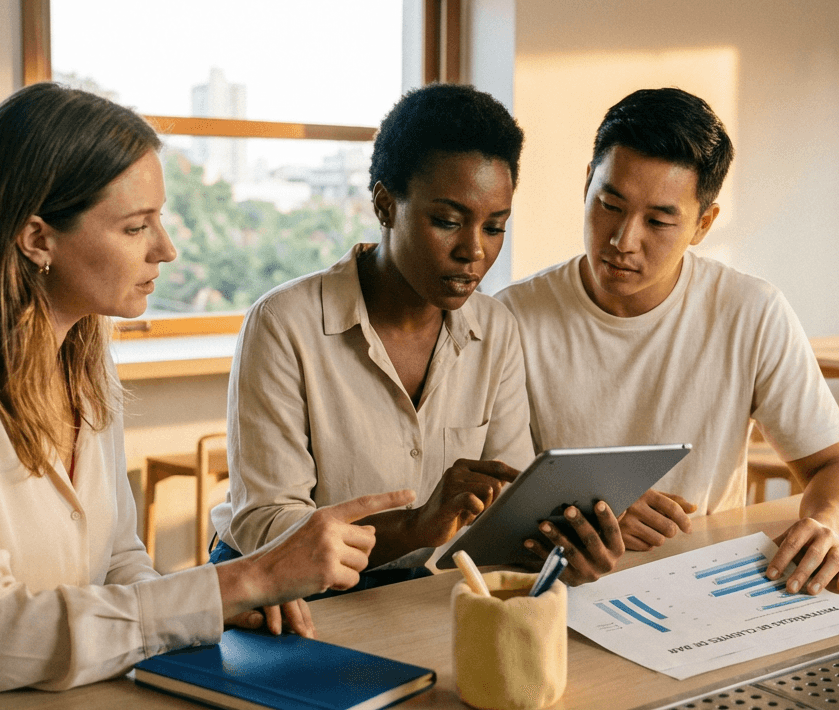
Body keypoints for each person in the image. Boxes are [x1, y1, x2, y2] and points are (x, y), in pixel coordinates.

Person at [0, 82, 410, 708]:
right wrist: (241, 580)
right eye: (136, 226)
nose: (166, 248)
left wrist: (209, 608)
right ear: (37, 238)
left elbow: (117, 564)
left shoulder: (82, 359)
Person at [209, 84, 624, 589]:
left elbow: (505, 506)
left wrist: (562, 546)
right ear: (385, 205)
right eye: (447, 221)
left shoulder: (494, 330)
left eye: (495, 227)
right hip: (286, 596)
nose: (473, 251)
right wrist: (414, 526)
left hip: (419, 589)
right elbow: (267, 528)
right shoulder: (284, 324)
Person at [496, 88, 839, 596]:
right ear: (586, 183)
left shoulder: (750, 312)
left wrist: (830, 525)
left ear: (703, 224)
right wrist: (582, 517)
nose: (623, 240)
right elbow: (495, 498)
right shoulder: (514, 317)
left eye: (659, 221)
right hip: (560, 590)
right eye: (609, 204)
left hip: (707, 586)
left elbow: (835, 466)